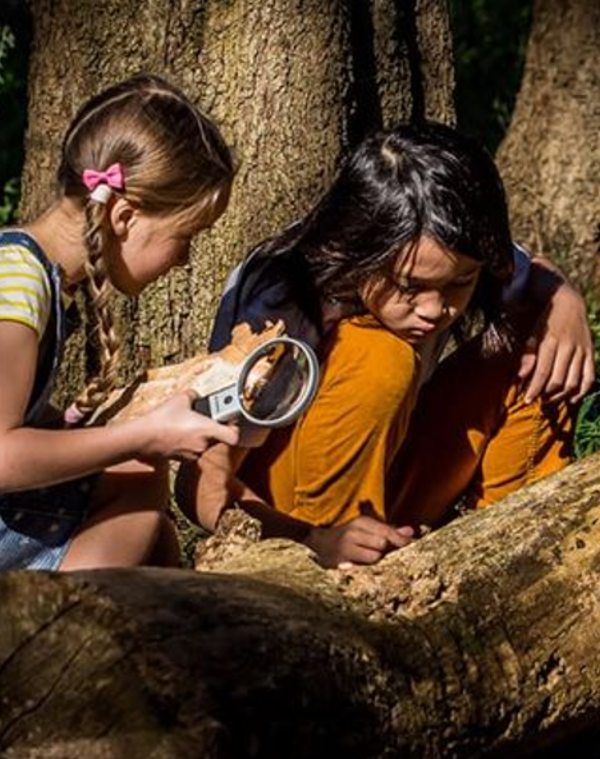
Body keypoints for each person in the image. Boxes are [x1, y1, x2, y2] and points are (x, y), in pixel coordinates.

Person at [175, 120, 594, 568]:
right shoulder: (285, 300)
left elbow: (533, 272)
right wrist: (311, 540)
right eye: (410, 286)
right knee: (378, 357)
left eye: (460, 284)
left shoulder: (450, 240)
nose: (435, 310)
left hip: (391, 486)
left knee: (539, 345)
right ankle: (343, 581)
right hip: (299, 524)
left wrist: (564, 303)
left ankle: (502, 560)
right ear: (359, 250)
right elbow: (202, 483)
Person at [0, 72, 240, 571]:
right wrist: (144, 435)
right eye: (185, 236)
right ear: (124, 217)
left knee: (139, 489)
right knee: (138, 469)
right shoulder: (17, 283)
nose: (184, 260)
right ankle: (57, 640)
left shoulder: (39, 276)